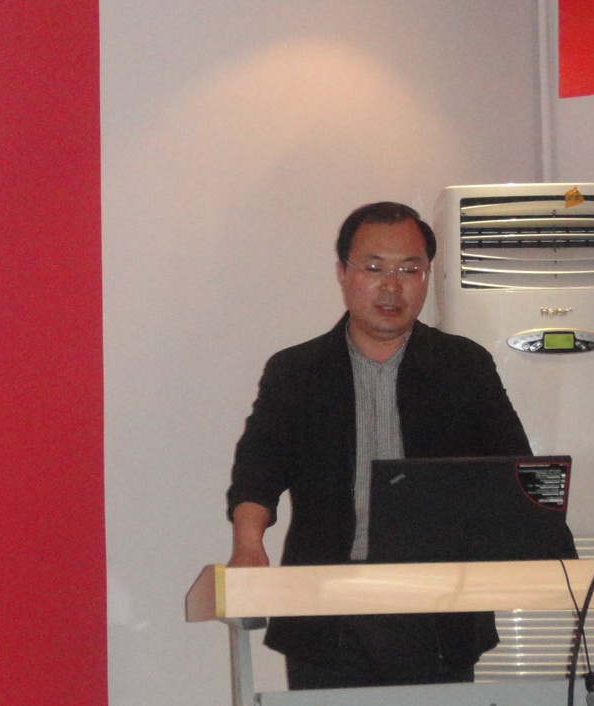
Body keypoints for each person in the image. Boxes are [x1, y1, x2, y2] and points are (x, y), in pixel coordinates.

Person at [225, 202, 533, 690]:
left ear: (427, 277)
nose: (392, 286)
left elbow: (517, 472)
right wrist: (248, 547)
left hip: (438, 612)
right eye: (374, 268)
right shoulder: (297, 372)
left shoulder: (463, 366)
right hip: (327, 610)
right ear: (343, 273)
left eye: (409, 270)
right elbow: (258, 467)